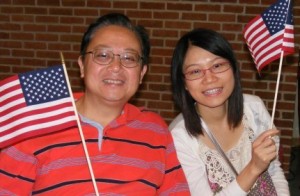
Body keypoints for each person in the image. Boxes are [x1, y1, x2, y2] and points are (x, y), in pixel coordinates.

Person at [0, 13, 190, 195]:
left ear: (142, 73)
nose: (116, 67)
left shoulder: (155, 130)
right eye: (103, 55)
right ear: (82, 65)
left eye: (128, 58)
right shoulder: (37, 124)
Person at [169, 28, 289, 195]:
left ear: (233, 68)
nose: (209, 78)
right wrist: (253, 168)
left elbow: (274, 170)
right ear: (184, 83)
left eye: (217, 65)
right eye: (195, 71)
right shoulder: (179, 137)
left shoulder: (254, 107)